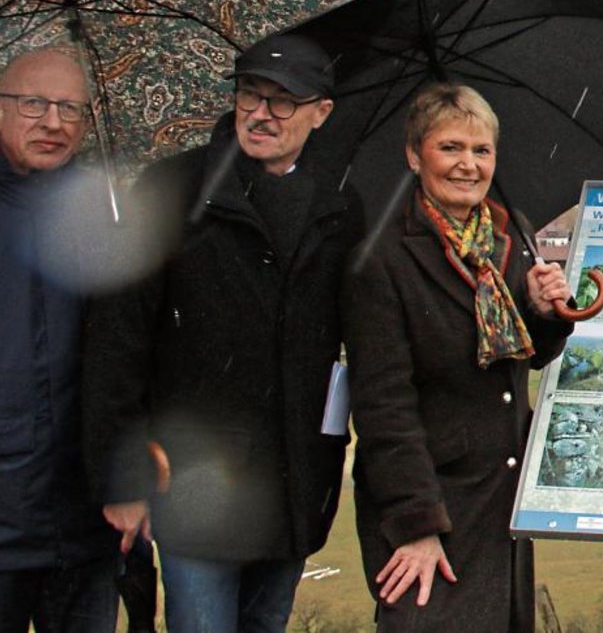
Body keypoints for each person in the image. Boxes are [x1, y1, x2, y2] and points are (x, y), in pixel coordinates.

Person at [83, 34, 364, 633]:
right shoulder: (173, 191)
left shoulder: (341, 205)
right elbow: (118, 341)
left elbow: (369, 322)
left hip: (295, 486)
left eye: (283, 101)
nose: (261, 114)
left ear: (322, 112)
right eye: (249, 95)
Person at [343, 83, 573, 631]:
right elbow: (382, 406)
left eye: (481, 150)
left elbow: (520, 359)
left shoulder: (505, 241)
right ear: (412, 154)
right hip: (431, 506)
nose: (468, 165)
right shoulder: (381, 260)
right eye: (450, 148)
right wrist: (416, 525)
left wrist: (543, 311)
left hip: (501, 498)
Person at [0, 49, 121, 633]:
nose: (53, 122)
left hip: (86, 525)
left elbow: (129, 363)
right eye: (33, 104)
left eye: (71, 108)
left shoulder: (108, 215)